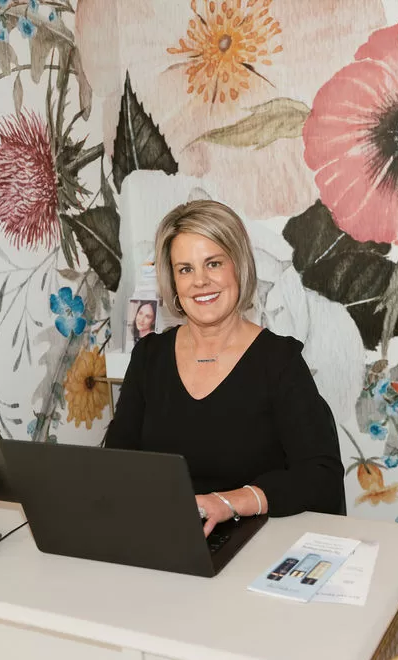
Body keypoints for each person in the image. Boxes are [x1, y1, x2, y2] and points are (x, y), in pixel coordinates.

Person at [104, 200, 345, 536]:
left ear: (238, 267)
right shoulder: (149, 357)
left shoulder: (279, 361)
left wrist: (229, 503)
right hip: (165, 538)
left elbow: (322, 478)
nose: (200, 281)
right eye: (185, 269)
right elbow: (117, 462)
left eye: (213, 263)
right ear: (172, 281)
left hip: (255, 543)